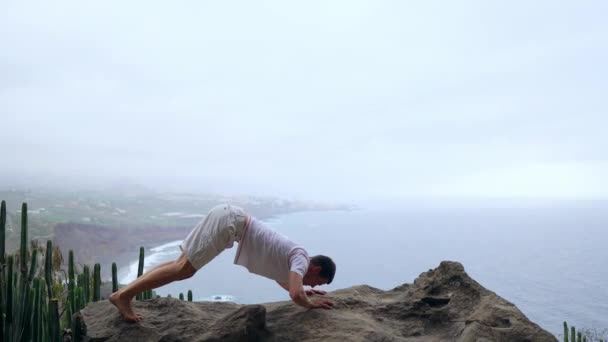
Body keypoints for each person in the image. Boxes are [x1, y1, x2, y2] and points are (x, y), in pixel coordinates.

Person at [109, 204, 336, 322]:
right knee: (183, 270)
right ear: (315, 268)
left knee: (179, 263)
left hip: (228, 217)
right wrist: (310, 303)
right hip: (231, 222)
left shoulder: (293, 260)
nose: (315, 285)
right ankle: (124, 296)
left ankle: (125, 292)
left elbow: (290, 286)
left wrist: (307, 292)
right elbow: (295, 295)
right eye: (318, 282)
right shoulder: (301, 258)